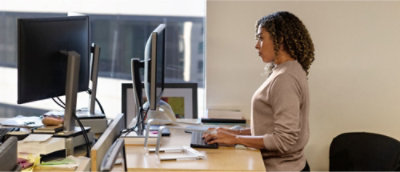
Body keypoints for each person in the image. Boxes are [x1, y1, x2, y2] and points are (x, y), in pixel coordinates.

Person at [203, 11, 314, 171]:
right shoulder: (287, 70)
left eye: (261, 38)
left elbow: (284, 140)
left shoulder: (285, 79)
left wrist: (235, 139)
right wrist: (234, 133)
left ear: (280, 39)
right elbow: (269, 130)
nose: (257, 45)